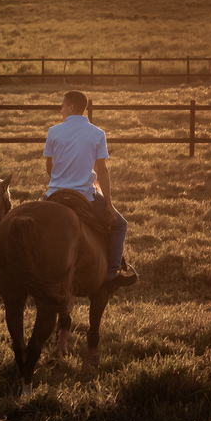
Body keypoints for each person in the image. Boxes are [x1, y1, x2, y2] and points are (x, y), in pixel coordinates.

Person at [43, 90, 137, 292]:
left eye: (62, 105)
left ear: (71, 107)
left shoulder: (53, 131)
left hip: (54, 194)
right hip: (85, 196)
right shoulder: (98, 133)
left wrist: (60, 181)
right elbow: (101, 170)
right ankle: (112, 274)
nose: (60, 109)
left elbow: (49, 168)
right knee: (120, 225)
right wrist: (109, 205)